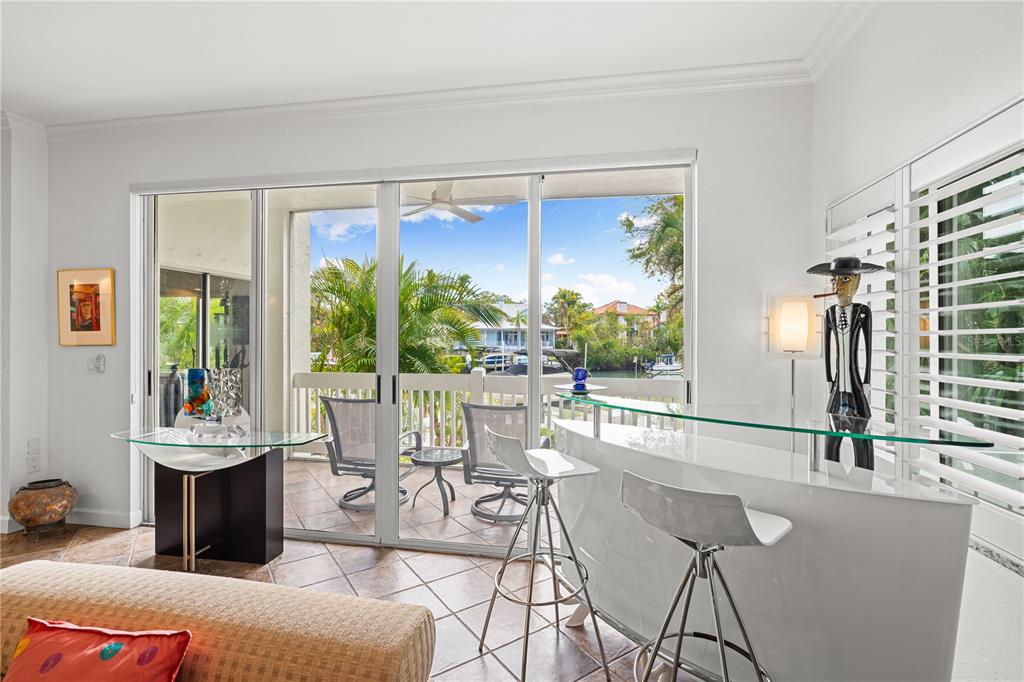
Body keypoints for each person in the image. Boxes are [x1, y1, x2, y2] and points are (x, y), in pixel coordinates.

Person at [806, 256, 884, 469]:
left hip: (856, 390)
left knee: (862, 443)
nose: (838, 286)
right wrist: (828, 379)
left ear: (857, 281)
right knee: (831, 442)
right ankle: (830, 479)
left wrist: (866, 382)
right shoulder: (829, 313)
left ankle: (864, 480)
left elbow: (868, 348)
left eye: (845, 280)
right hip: (837, 391)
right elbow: (826, 350)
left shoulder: (862, 313)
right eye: (834, 280)